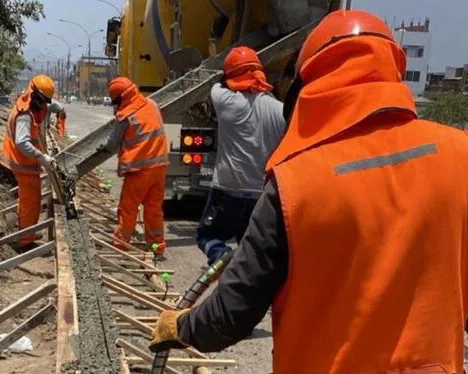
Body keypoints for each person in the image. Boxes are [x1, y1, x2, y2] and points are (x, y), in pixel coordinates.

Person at [149, 9, 468, 374]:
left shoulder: (296, 185)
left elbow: (231, 314)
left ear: (307, 86)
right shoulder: (460, 156)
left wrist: (182, 327)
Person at [197, 46, 285, 265]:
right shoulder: (280, 110)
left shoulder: (225, 101)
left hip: (227, 189)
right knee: (250, 245)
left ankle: (220, 256)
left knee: (207, 235)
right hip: (261, 194)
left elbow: (216, 84)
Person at [97, 76, 169, 258]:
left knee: (128, 209)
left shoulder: (126, 116)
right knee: (153, 209)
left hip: (139, 171)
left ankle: (121, 245)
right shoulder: (152, 104)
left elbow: (112, 144)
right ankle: (157, 247)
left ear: (120, 98)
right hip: (159, 167)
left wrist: (102, 147)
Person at [0, 74, 63, 252]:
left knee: (27, 199)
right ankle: (25, 239)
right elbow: (22, 142)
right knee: (31, 201)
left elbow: (46, 108)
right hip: (23, 163)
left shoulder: (32, 103)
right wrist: (42, 157)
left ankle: (26, 230)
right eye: (43, 101)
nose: (44, 105)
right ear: (35, 96)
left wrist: (55, 107)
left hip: (25, 163)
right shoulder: (25, 116)